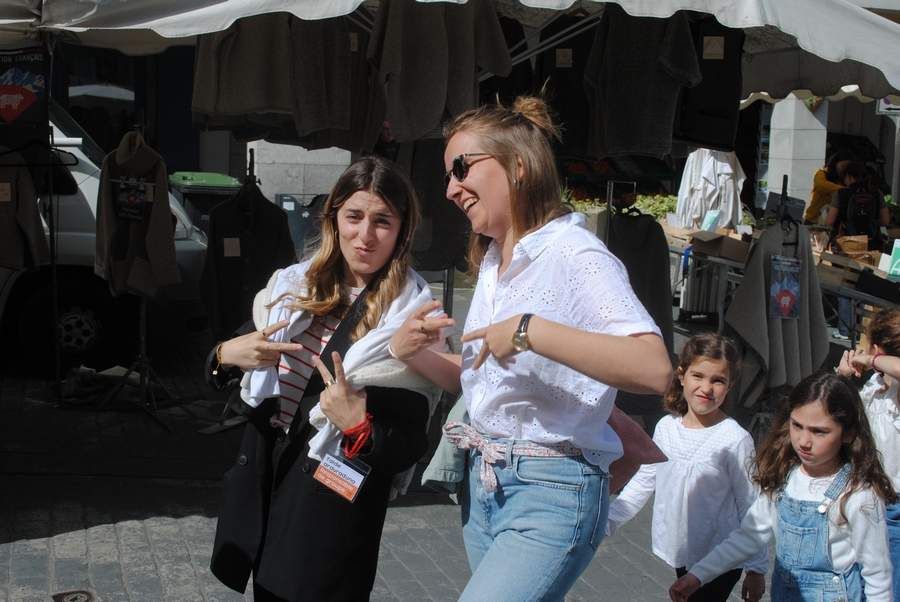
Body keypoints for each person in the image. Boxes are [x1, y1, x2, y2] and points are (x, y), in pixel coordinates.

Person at [389, 96, 672, 600]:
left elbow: (654, 369)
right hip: (487, 484)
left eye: (461, 168)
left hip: (552, 489)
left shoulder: (574, 253)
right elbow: (482, 380)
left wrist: (527, 329)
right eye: (448, 175)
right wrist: (412, 352)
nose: (450, 188)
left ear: (518, 166)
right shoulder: (495, 260)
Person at [205, 156, 449, 601]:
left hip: (330, 504)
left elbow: (410, 443)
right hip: (265, 479)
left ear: (402, 230)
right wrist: (225, 355)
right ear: (333, 218)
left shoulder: (409, 317)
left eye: (382, 221)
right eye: (354, 216)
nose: (365, 235)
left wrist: (358, 426)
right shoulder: (292, 288)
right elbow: (227, 366)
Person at [669, 372, 895, 602]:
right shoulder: (784, 478)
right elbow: (749, 536)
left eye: (819, 431)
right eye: (797, 425)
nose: (804, 441)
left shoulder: (858, 495)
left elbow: (877, 574)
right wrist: (698, 575)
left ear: (848, 434)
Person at [607, 334, 767, 602]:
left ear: (730, 386)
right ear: (682, 375)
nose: (706, 388)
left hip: (720, 556)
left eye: (718, 380)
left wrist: (756, 568)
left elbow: (750, 503)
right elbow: (645, 480)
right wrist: (608, 520)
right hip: (682, 550)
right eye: (698, 376)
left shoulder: (735, 439)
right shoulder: (666, 428)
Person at [836, 308, 900, 602]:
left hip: (894, 511)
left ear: (877, 349)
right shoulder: (874, 387)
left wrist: (870, 360)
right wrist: (843, 379)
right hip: (862, 499)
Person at [825, 161, 889, 340]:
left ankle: (845, 330)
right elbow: (885, 220)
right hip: (872, 246)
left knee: (846, 285)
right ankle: (865, 330)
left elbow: (829, 221)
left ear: (848, 176)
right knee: (868, 286)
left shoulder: (841, 194)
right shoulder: (876, 194)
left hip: (848, 245)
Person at [803, 150, 854, 224]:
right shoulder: (821, 174)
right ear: (835, 163)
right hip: (813, 220)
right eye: (843, 166)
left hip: (831, 222)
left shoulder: (845, 180)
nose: (844, 169)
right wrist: (844, 190)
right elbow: (821, 185)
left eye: (847, 167)